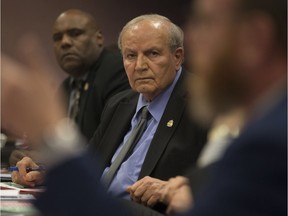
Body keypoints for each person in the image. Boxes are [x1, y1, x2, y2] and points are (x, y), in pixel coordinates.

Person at [8, 14, 207, 214]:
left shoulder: (204, 105)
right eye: (130, 56)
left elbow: (218, 189)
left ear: (178, 57)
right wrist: (45, 170)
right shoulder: (119, 103)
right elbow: (92, 161)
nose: (139, 65)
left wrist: (172, 190)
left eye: (153, 53)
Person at [8, 9, 130, 166]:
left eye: (75, 33)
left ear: (99, 38)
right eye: (57, 38)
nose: (65, 42)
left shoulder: (116, 70)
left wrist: (52, 157)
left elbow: (108, 146)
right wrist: (29, 157)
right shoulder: (66, 86)